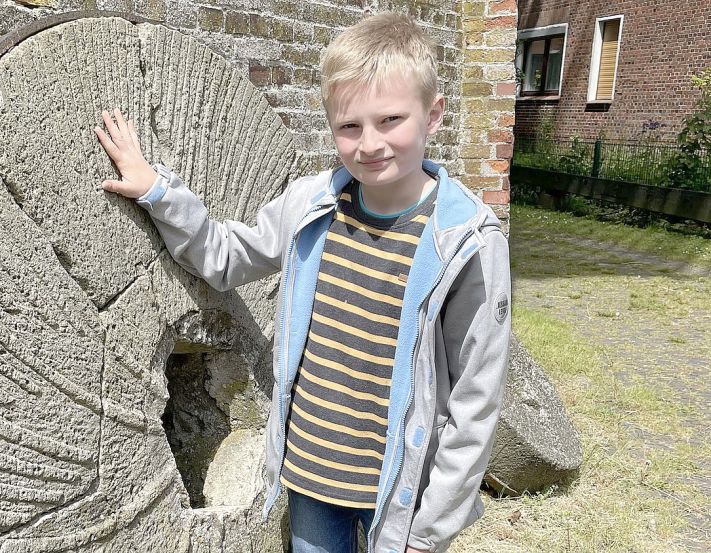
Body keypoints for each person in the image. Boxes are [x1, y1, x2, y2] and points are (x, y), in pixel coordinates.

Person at [94, 11, 511, 553]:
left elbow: (474, 399)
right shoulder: (311, 207)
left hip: (401, 496)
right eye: (350, 126)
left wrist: (429, 530)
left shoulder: (465, 244)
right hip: (310, 476)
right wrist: (157, 191)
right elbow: (225, 254)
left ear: (433, 116)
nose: (370, 144)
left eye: (391, 120)